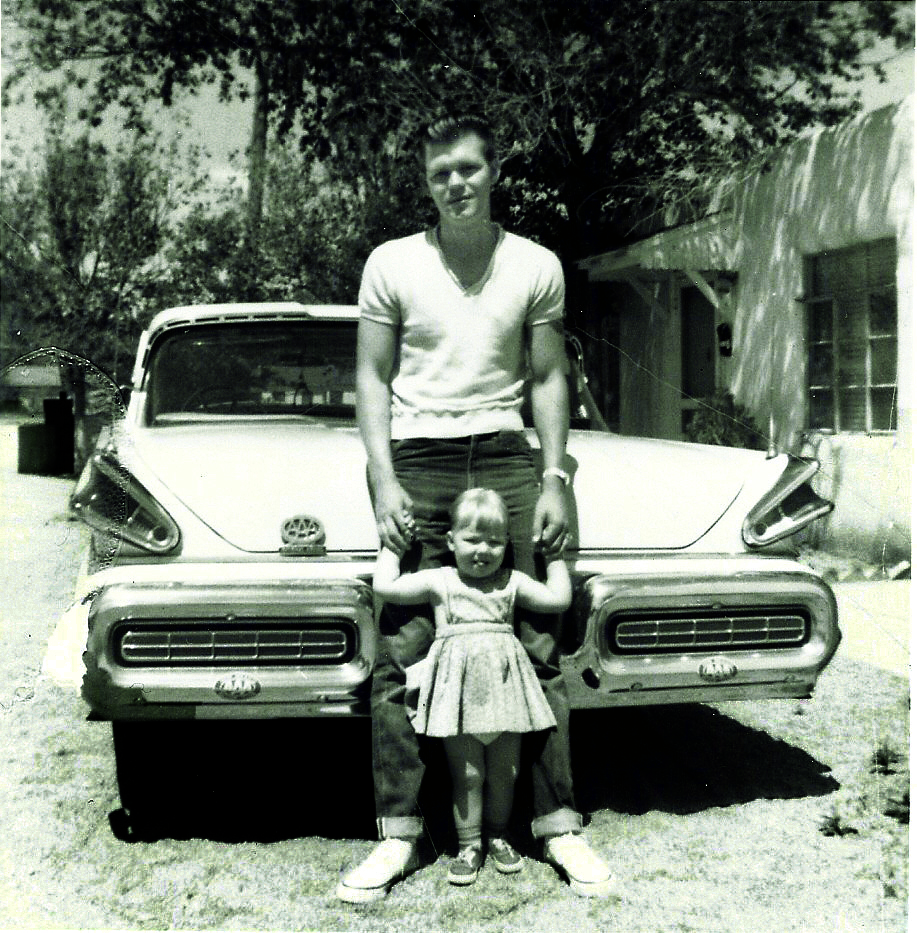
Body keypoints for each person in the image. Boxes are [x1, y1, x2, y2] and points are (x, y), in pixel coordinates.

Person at [336, 112, 613, 903]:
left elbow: (549, 377)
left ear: (494, 173)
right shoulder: (391, 264)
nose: (455, 184)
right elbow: (371, 379)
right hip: (417, 459)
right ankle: (398, 834)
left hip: (505, 453)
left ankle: (556, 822)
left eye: (467, 169)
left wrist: (556, 474)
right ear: (426, 184)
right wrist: (383, 478)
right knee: (403, 651)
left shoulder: (534, 264)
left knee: (538, 642)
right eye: (439, 174)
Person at [373, 488, 568, 886]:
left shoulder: (512, 583)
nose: (483, 550)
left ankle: (497, 835)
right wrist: (394, 546)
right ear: (450, 541)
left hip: (505, 695)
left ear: (507, 545)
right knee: (468, 775)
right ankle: (469, 844)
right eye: (472, 539)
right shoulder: (440, 581)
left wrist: (555, 557)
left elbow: (558, 599)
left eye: (494, 541)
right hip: (457, 700)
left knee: (505, 773)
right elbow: (385, 587)